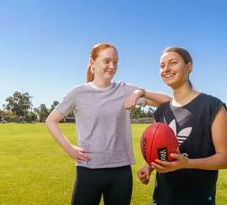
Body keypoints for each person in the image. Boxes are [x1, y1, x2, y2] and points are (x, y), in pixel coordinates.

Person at [46, 43, 170, 205]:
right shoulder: (78, 93)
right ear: (92, 63)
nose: (112, 66)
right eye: (106, 61)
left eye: (115, 62)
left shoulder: (125, 90)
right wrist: (69, 147)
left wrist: (141, 92)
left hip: (121, 172)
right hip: (88, 171)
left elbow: (168, 101)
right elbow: (51, 121)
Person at [137, 47, 227, 205]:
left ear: (189, 67)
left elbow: (226, 159)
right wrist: (149, 166)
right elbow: (160, 149)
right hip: (162, 199)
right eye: (162, 66)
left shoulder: (212, 106)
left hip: (198, 199)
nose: (167, 69)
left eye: (173, 63)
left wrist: (187, 163)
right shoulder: (161, 111)